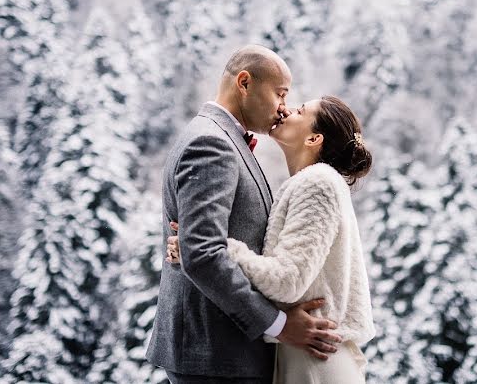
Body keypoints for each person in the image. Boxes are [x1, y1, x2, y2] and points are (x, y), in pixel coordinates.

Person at [145, 45, 343, 384]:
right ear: (245, 82)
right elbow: (204, 254)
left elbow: (204, 246)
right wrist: (280, 325)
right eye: (281, 94)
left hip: (224, 354)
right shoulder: (212, 143)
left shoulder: (219, 138)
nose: (283, 107)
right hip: (217, 355)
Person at [167, 95, 376, 383]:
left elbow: (286, 282)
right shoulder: (310, 183)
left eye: (300, 111)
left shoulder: (318, 183)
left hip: (315, 360)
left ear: (314, 138)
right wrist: (193, 244)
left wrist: (217, 246)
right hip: (308, 354)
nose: (286, 109)